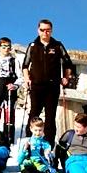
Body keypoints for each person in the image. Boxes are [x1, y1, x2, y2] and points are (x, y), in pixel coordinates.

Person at [22, 19, 74, 147]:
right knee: (34, 113)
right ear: (38, 30)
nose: (45, 33)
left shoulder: (57, 45)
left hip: (52, 86)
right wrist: (27, 79)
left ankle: (49, 146)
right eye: (42, 30)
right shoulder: (32, 46)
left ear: (51, 31)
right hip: (36, 85)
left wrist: (66, 77)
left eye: (48, 30)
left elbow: (68, 63)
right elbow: (25, 65)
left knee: (50, 116)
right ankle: (29, 142)